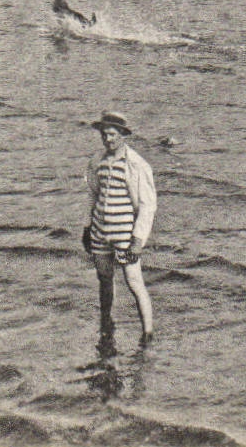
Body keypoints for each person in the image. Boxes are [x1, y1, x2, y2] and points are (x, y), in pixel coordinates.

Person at [82, 111, 155, 353]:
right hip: (101, 231)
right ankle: (106, 324)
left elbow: (147, 204)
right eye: (104, 135)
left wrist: (138, 240)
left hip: (125, 234)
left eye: (112, 135)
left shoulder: (136, 164)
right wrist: (87, 228)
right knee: (104, 280)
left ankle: (147, 333)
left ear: (123, 135)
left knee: (134, 282)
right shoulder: (98, 161)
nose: (108, 140)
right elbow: (93, 195)